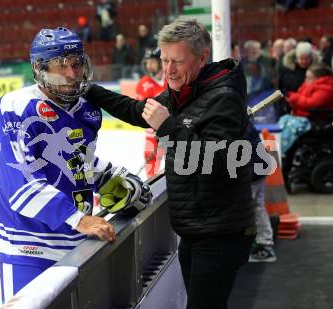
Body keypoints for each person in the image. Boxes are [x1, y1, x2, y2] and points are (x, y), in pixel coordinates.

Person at [84, 17, 255, 309]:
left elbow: (216, 162)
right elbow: (140, 110)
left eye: (177, 61)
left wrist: (168, 127)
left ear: (202, 58)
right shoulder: (186, 91)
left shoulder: (223, 98)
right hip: (197, 229)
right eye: (164, 60)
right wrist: (89, 90)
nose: (168, 69)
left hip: (220, 234)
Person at [0, 27, 151, 303]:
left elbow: (79, 162)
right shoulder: (18, 106)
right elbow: (21, 184)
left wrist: (114, 179)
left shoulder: (86, 108)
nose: (70, 74)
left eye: (76, 65)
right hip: (30, 247)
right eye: (60, 66)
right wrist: (80, 219)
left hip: (78, 243)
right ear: (38, 68)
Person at [279, 63, 333, 154]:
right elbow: (300, 97)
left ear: (318, 78)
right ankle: (276, 147)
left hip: (316, 121)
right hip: (304, 117)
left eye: (309, 78)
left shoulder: (326, 88)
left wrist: (294, 99)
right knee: (284, 119)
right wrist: (291, 98)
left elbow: (311, 103)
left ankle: (281, 151)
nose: (306, 80)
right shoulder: (308, 85)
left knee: (292, 125)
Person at [247, 121, 277, 263]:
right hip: (258, 166)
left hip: (252, 170)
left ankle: (263, 246)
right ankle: (265, 245)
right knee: (256, 207)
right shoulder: (238, 111)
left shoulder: (227, 113)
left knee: (244, 209)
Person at [135, 48, 167, 178]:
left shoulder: (172, 78)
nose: (148, 66)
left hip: (173, 130)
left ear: (160, 62)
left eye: (152, 62)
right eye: (147, 62)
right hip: (152, 134)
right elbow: (141, 112)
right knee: (151, 171)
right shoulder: (143, 84)